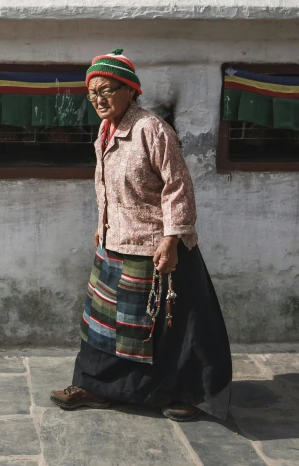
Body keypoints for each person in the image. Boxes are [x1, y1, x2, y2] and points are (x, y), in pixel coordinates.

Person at [50, 49, 232, 422]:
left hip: (157, 247)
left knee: (167, 328)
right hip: (114, 242)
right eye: (92, 93)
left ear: (131, 90)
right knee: (103, 326)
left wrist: (171, 239)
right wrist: (101, 226)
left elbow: (178, 187)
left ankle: (186, 394)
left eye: (106, 90)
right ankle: (95, 387)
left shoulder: (152, 130)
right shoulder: (106, 131)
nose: (98, 100)